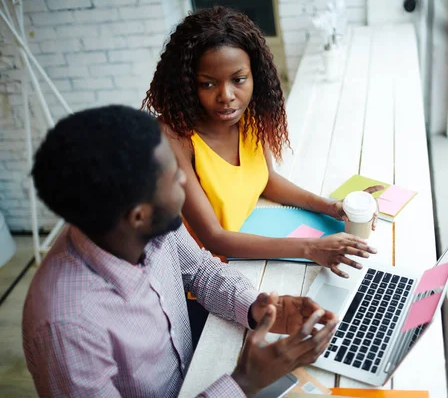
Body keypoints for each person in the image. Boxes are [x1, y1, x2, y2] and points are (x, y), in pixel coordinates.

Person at [22, 105, 338, 397]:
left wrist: (260, 310)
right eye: (174, 176)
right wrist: (243, 384)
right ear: (138, 215)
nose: (185, 179)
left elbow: (200, 271)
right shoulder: (65, 327)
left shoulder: (142, 226)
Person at [142, 6, 382, 280]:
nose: (227, 96)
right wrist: (311, 248)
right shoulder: (174, 138)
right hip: (208, 278)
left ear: (255, 75)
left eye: (239, 79)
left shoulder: (247, 114)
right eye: (208, 84)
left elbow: (266, 179)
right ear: (186, 83)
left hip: (253, 250)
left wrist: (330, 207)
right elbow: (213, 238)